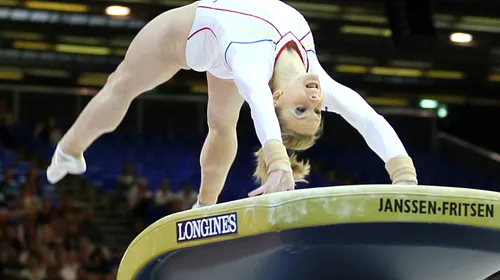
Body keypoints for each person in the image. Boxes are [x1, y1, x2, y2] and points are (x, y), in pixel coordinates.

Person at [46, 0, 417, 208]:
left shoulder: (253, 70)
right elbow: (369, 118)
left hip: (179, 43)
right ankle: (70, 150)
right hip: (210, 35)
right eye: (317, 113)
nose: (317, 102)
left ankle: (203, 207)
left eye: (301, 110)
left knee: (218, 123)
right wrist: (405, 175)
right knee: (120, 88)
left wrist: (277, 164)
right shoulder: (314, 74)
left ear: (278, 99)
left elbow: (256, 101)